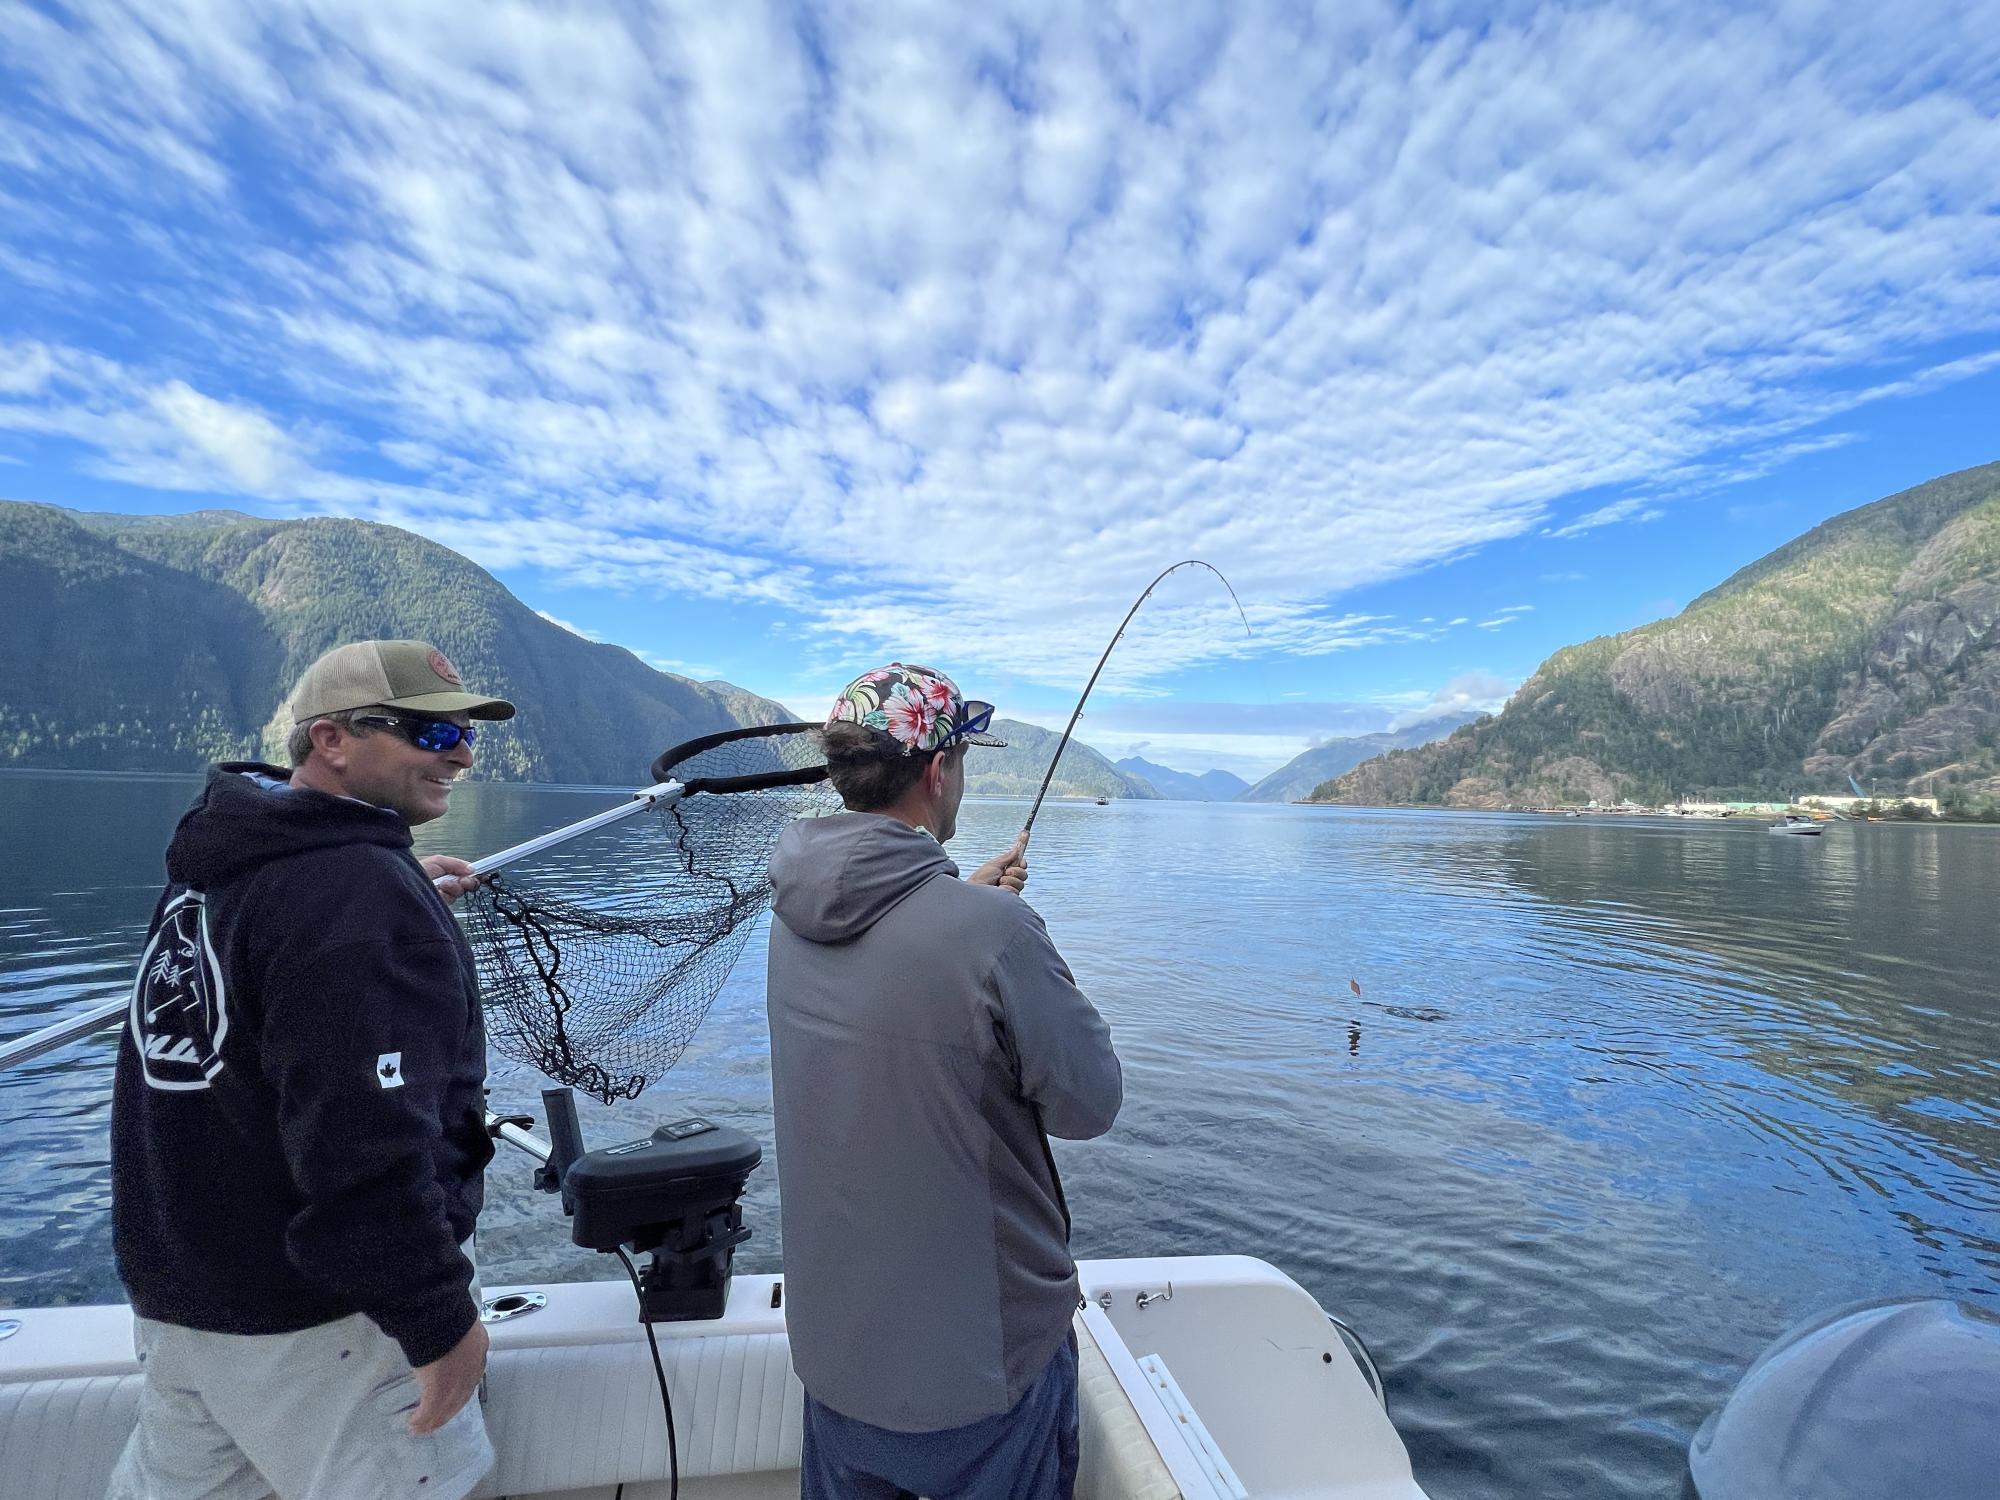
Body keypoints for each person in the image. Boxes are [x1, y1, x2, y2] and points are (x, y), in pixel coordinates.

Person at [108, 639, 514, 1500]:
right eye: (433, 736)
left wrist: (386, 889)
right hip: (327, 1322)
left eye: (466, 736)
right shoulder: (350, 893)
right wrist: (439, 1322)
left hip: (187, 1300)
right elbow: (360, 1142)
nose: (464, 756)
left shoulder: (224, 861)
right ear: (332, 740)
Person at [765, 662, 1124, 1500]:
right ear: (939, 770)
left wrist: (959, 901)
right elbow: (1090, 1102)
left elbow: (892, 971)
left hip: (837, 1359)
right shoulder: (995, 934)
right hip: (977, 1376)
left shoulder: (791, 917)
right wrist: (1004, 934)